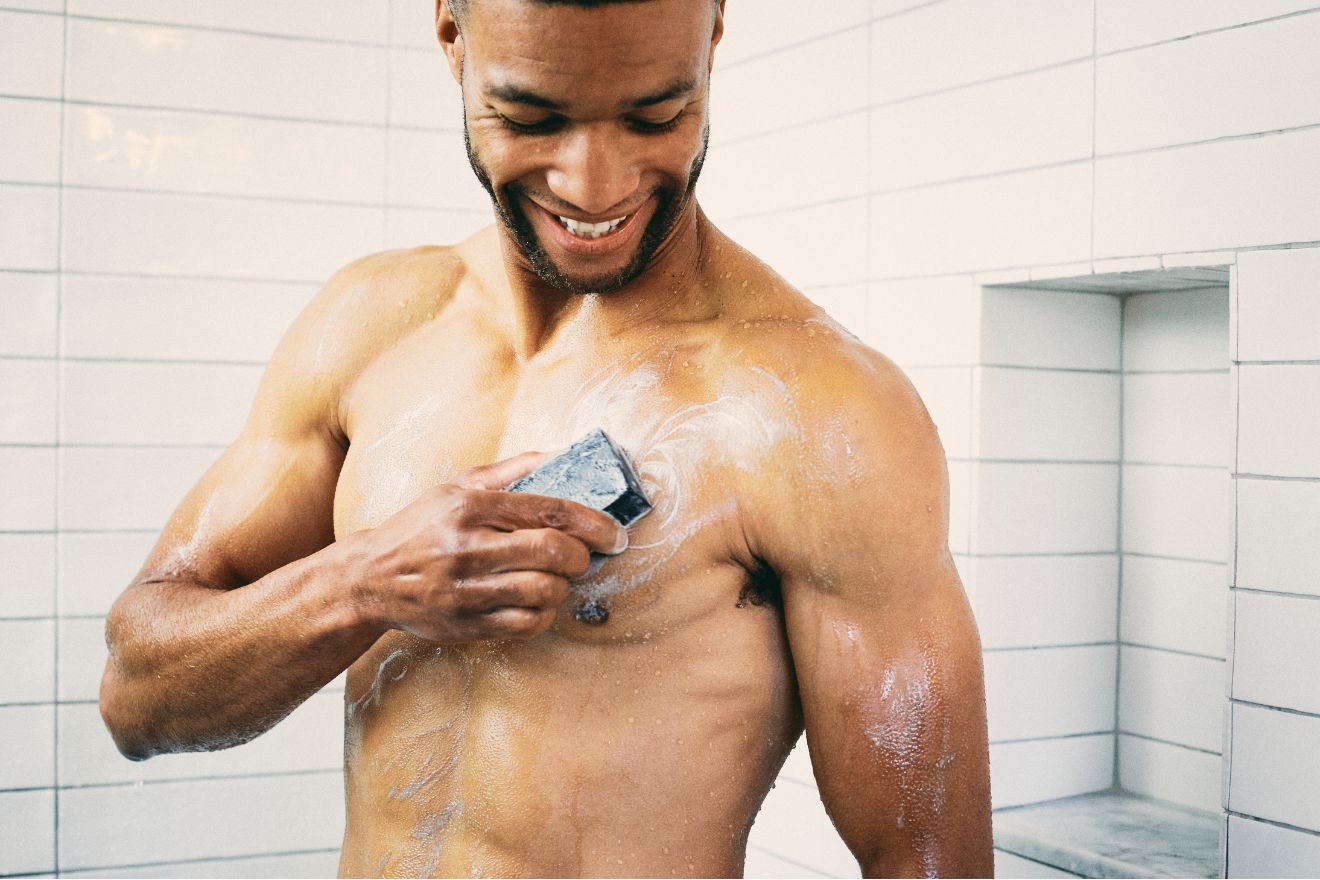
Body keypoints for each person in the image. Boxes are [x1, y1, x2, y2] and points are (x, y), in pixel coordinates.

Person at [98, 0, 994, 876]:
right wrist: (363, 582)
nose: (593, 187)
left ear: (715, 28)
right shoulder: (368, 326)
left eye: (658, 115)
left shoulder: (822, 412)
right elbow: (137, 699)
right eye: (532, 117)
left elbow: (931, 864)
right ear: (450, 30)